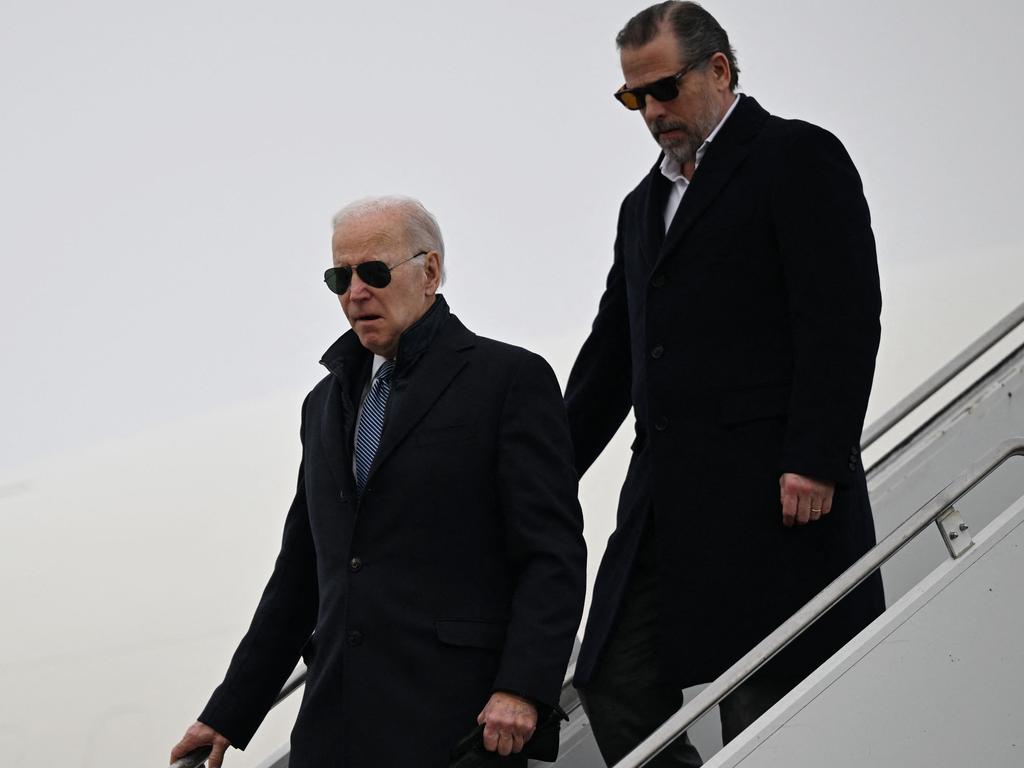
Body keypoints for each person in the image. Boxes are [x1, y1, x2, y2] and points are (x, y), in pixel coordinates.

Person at [564, 2, 885, 765]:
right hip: (664, 500)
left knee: (762, 703)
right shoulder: (640, 207)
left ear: (719, 69)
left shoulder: (796, 156)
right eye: (634, 97)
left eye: (665, 88)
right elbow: (613, 356)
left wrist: (816, 453)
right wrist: (540, 468)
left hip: (775, 494)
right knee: (609, 675)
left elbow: (842, 313)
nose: (652, 111)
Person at [170, 196, 586, 768]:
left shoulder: (507, 380)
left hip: (457, 727)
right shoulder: (322, 406)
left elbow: (552, 555)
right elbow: (299, 577)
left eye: (373, 272)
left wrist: (523, 687)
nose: (354, 292)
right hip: (335, 728)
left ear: (431, 271)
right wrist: (227, 712)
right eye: (340, 276)